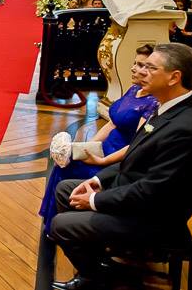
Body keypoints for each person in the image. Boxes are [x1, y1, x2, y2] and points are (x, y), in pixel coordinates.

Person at [50, 43, 192, 290]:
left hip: (154, 219)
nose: (142, 72)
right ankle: (99, 267)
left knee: (61, 225)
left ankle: (96, 278)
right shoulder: (168, 107)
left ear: (174, 77)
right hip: (138, 194)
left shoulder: (189, 128)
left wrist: (96, 200)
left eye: (151, 68)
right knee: (65, 189)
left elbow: (154, 192)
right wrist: (97, 181)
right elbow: (135, 156)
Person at [39, 45, 157, 234]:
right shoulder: (134, 89)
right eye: (135, 63)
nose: (134, 68)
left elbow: (136, 144)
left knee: (69, 167)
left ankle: (66, 224)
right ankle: (54, 220)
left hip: (118, 158)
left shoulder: (152, 103)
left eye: (142, 65)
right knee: (65, 160)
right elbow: (112, 124)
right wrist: (89, 146)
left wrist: (102, 160)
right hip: (105, 147)